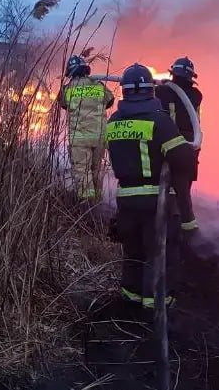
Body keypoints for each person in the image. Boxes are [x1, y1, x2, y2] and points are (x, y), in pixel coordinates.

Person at [105, 63, 198, 310]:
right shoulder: (159, 121)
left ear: (125, 92)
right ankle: (156, 309)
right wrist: (189, 149)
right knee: (158, 255)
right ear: (150, 91)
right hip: (154, 201)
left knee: (133, 254)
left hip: (125, 200)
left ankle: (129, 305)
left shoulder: (113, 122)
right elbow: (182, 158)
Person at [57, 54, 115, 202]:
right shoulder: (98, 85)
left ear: (70, 73)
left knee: (82, 173)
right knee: (96, 171)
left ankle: (86, 208)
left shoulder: (68, 89)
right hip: (99, 137)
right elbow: (110, 100)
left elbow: (63, 104)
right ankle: (98, 203)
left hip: (79, 139)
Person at [155, 56, 202, 195]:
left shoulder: (162, 91)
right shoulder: (196, 95)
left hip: (168, 139)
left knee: (163, 181)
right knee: (183, 186)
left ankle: (164, 209)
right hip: (190, 142)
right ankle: (179, 211)